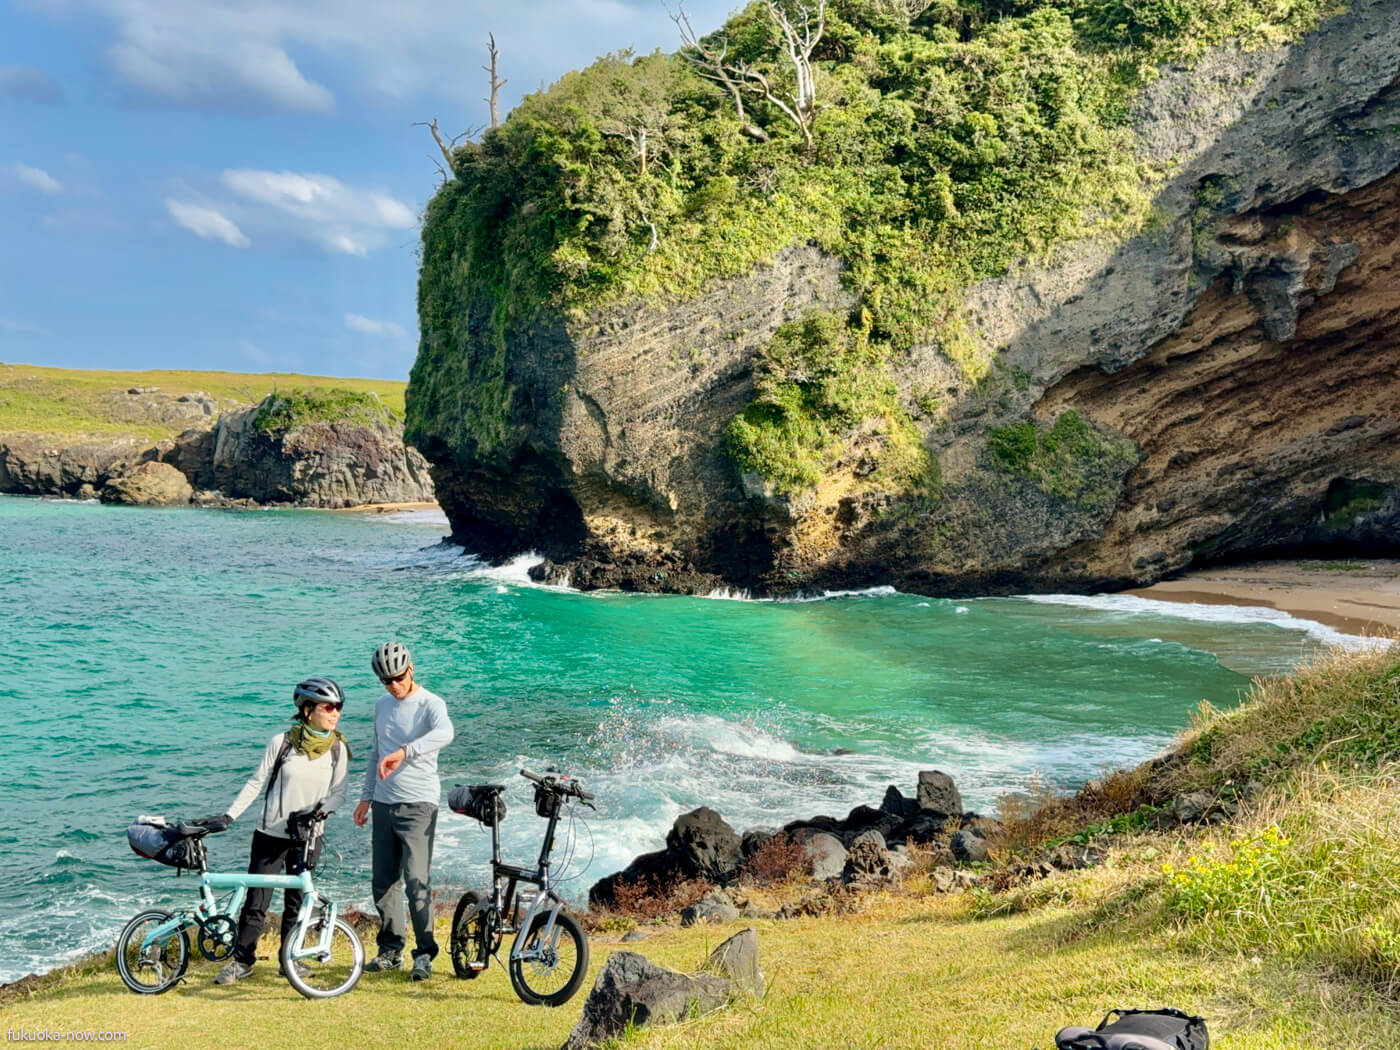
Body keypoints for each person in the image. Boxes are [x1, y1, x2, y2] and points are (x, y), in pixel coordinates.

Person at [207, 677, 351, 985]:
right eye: (328, 707)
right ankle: (242, 961)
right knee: (256, 901)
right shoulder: (282, 743)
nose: (335, 713)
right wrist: (230, 816)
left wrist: (320, 812)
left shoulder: (337, 749)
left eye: (338, 707)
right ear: (308, 710)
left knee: (296, 903)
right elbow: (256, 783)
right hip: (270, 834)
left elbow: (340, 792)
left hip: (308, 837)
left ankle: (290, 961)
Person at [353, 641, 454, 981]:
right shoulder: (382, 706)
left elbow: (446, 733)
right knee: (383, 881)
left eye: (398, 678)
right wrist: (366, 797)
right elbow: (376, 752)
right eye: (386, 681)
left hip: (419, 804)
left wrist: (405, 752)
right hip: (384, 803)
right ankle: (390, 950)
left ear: (410, 669)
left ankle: (424, 953)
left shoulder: (431, 704)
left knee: (416, 880)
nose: (394, 686)